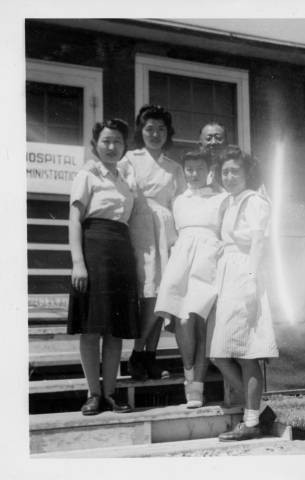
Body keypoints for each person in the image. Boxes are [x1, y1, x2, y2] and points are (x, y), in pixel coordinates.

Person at [67, 119, 140, 416]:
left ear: (124, 147)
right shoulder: (87, 174)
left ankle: (110, 393)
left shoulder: (124, 179)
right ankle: (93, 394)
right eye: (106, 141)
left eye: (118, 142)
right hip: (93, 249)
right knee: (91, 327)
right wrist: (78, 263)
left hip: (121, 252)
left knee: (114, 329)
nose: (112, 147)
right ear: (95, 144)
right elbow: (75, 219)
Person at [206, 145, 279, 441]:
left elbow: (259, 243)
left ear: (247, 172)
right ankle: (257, 413)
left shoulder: (255, 201)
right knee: (220, 353)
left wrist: (250, 279)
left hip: (246, 275)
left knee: (248, 353)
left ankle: (251, 422)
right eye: (224, 171)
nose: (230, 175)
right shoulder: (231, 201)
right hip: (229, 276)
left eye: (235, 170)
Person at [155, 151, 228, 408]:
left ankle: (197, 386)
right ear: (183, 171)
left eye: (199, 168)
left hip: (209, 262)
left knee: (200, 321)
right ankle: (189, 376)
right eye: (189, 169)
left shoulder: (221, 198)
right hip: (182, 263)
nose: (193, 173)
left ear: (208, 170)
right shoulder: (178, 201)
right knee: (183, 320)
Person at [118, 105, 186, 380]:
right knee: (149, 295)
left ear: (167, 133)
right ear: (141, 131)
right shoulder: (130, 160)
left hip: (167, 233)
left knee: (164, 294)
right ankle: (137, 352)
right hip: (141, 229)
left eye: (161, 129)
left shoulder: (174, 167)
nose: (155, 134)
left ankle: (148, 356)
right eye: (149, 129)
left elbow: (181, 202)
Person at [198, 121, 228, 191]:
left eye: (219, 138)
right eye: (208, 139)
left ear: (226, 143)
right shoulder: (192, 171)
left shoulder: (234, 170)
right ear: (200, 145)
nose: (214, 142)